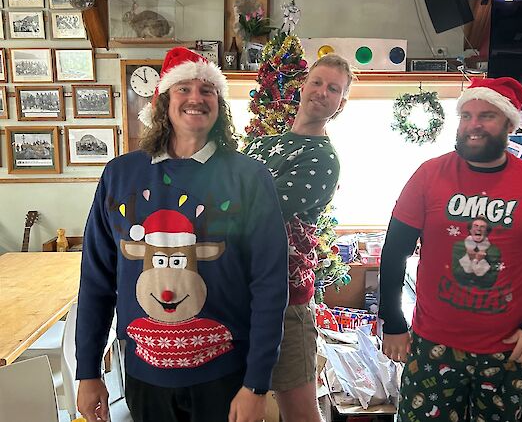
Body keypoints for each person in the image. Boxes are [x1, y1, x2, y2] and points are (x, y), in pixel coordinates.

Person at [75, 47, 289, 422]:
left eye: (207, 89)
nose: (196, 97)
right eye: (183, 88)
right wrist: (88, 370)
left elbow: (270, 285)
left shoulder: (250, 178)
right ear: (163, 101)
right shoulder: (120, 175)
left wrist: (257, 383)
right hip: (144, 376)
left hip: (226, 376)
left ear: (219, 104)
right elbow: (96, 279)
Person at [379, 76, 522, 422]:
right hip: (431, 345)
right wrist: (393, 321)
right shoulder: (428, 175)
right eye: (466, 115)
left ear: (507, 123)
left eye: (486, 116)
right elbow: (395, 251)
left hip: (508, 352)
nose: (474, 125)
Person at [244, 53, 354, 422]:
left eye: (334, 89)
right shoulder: (261, 146)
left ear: (341, 103)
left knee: (299, 413)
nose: (322, 92)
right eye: (318, 82)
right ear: (303, 87)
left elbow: (257, 209)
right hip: (239, 296)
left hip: (286, 301)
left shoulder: (323, 160)